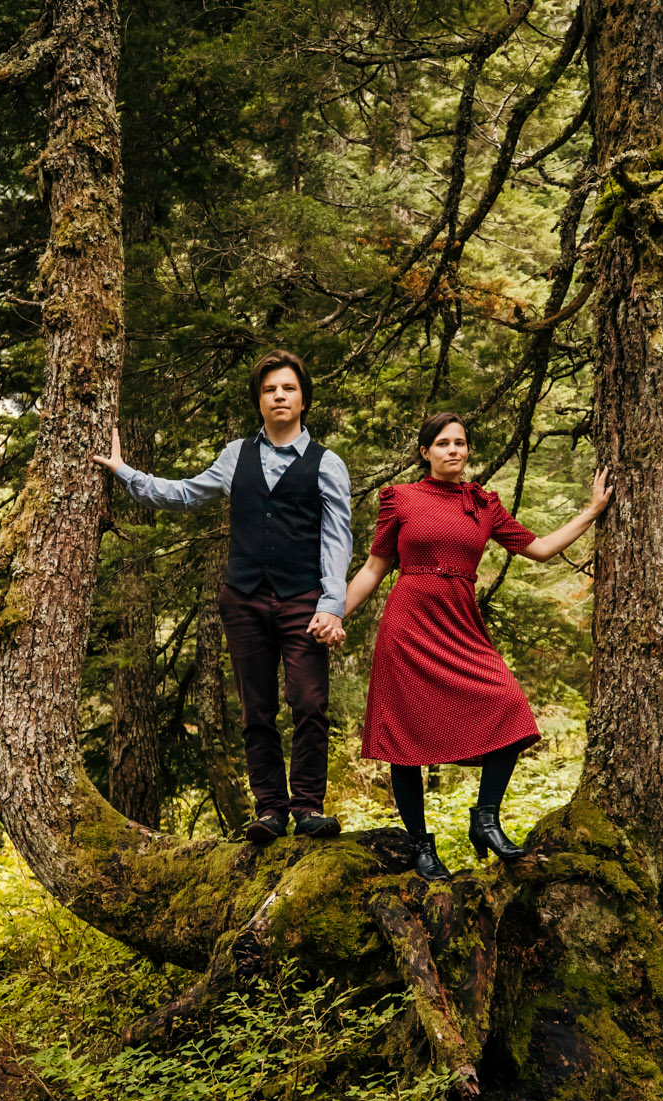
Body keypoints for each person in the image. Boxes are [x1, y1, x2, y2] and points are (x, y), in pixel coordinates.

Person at [338, 412, 611, 881]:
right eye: (442, 443)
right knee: (406, 742)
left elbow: (540, 548)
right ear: (425, 452)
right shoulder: (399, 499)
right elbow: (373, 568)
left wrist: (591, 511)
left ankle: (485, 819)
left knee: (509, 706)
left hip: (461, 624)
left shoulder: (483, 503)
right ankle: (422, 847)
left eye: (460, 443)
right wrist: (330, 613)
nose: (453, 451)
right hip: (408, 626)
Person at [93, 352, 351, 845]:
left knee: (309, 703)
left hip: (303, 599)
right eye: (271, 389)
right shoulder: (237, 455)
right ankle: (271, 809)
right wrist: (125, 471)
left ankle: (309, 807)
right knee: (256, 708)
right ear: (259, 400)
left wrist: (330, 603)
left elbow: (337, 539)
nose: (279, 396)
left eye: (288, 389)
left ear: (303, 399)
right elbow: (185, 494)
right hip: (244, 598)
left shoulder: (327, 463)